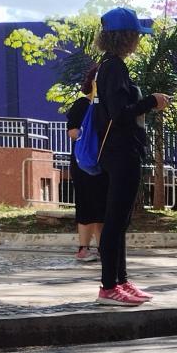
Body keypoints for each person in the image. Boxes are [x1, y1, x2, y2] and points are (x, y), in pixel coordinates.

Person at [91, 7, 169, 308]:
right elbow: (119, 113)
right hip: (120, 152)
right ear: (126, 37)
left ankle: (120, 280)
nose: (138, 40)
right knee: (114, 221)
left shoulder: (108, 66)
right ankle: (109, 286)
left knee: (120, 221)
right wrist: (151, 101)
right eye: (136, 34)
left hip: (119, 151)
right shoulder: (114, 69)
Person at [65, 65, 108, 262]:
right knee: (85, 205)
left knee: (101, 208)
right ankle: (83, 248)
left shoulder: (105, 106)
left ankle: (102, 248)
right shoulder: (82, 104)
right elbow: (72, 131)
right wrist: (86, 135)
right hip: (84, 162)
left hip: (101, 163)